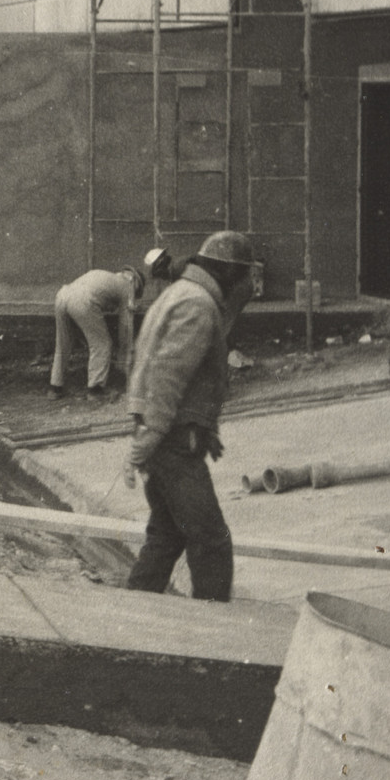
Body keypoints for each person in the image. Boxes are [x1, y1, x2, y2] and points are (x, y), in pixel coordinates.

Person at [122, 229, 261, 603]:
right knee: (212, 542)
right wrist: (148, 439)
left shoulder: (180, 293)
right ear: (228, 273)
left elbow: (149, 367)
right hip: (173, 442)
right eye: (244, 275)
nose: (248, 285)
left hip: (168, 435)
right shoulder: (198, 305)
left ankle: (133, 610)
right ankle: (211, 628)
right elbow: (166, 376)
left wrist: (189, 427)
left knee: (167, 534)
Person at [49, 264, 144, 400]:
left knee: (63, 342)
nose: (134, 294)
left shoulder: (108, 277)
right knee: (102, 344)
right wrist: (125, 350)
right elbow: (125, 326)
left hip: (62, 295)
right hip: (82, 300)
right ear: (134, 280)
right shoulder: (128, 286)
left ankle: (55, 387)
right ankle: (95, 390)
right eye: (137, 291)